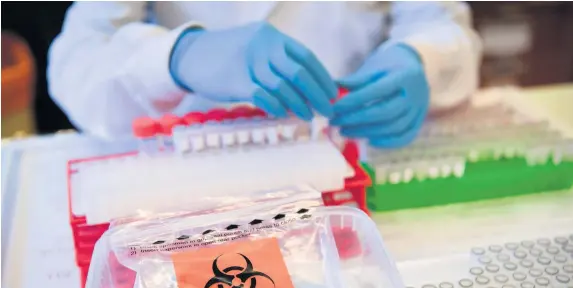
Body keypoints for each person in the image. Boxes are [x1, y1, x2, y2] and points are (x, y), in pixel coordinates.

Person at [47, 1, 482, 148]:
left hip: (347, 159)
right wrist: (180, 56)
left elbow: (438, 21)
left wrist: (420, 58)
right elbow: (78, 60)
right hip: (188, 175)